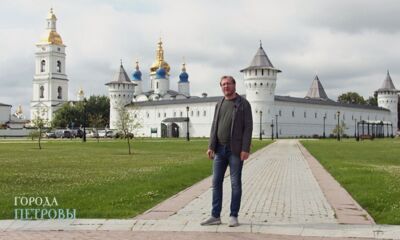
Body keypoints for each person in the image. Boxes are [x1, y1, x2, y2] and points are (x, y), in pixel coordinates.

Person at [201, 75, 253, 227]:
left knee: (235, 183)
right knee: (216, 182)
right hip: (219, 150)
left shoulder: (243, 104)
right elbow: (214, 126)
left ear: (234, 85)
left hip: (235, 151)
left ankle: (233, 215)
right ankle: (215, 215)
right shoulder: (220, 103)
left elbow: (248, 128)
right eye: (223, 84)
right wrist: (211, 146)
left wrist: (245, 148)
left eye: (228, 84)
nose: (226, 87)